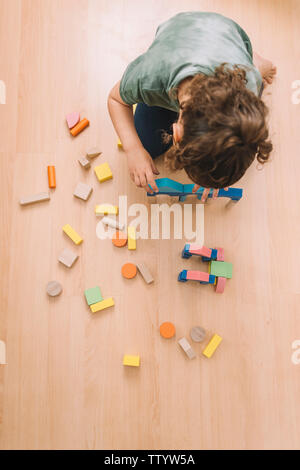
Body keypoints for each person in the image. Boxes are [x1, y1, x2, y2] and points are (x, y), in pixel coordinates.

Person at [108, 11, 276, 200]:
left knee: (236, 142)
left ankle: (255, 63)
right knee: (145, 144)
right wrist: (133, 149)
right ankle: (256, 64)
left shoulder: (245, 87)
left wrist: (208, 174)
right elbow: (115, 100)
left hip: (229, 42)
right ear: (176, 133)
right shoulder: (150, 78)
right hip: (179, 37)